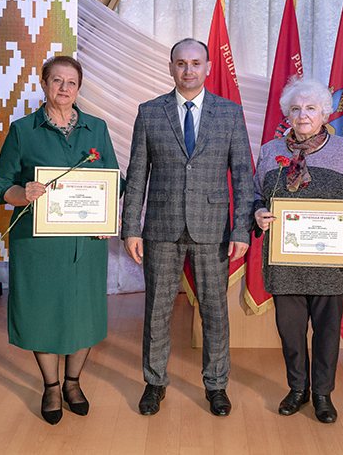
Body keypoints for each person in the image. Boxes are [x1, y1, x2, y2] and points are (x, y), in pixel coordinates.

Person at [121, 38, 254, 417]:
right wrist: (131, 227)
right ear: (171, 68)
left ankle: (216, 384)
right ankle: (154, 382)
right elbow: (137, 174)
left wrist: (241, 230)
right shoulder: (150, 112)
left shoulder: (229, 113)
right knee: (157, 310)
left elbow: (243, 175)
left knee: (215, 311)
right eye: (181, 63)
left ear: (208, 67)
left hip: (213, 229)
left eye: (196, 63)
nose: (188, 70)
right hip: (160, 229)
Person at [0, 55, 120, 425]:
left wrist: (107, 215)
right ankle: (50, 386)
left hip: (85, 241)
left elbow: (114, 178)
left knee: (83, 312)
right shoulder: (22, 130)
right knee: (42, 312)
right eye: (57, 81)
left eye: (71, 82)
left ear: (79, 88)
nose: (64, 88)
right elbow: (0, 185)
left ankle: (73, 383)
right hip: (38, 243)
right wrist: (22, 193)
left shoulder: (97, 129)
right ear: (44, 84)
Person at [253, 75, 343, 424]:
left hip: (331, 264)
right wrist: (258, 213)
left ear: (325, 113)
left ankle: (322, 393)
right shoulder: (270, 152)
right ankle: (297, 389)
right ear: (287, 114)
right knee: (290, 333)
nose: (303, 115)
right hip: (285, 262)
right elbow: (255, 197)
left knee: (327, 333)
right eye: (295, 108)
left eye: (310, 108)